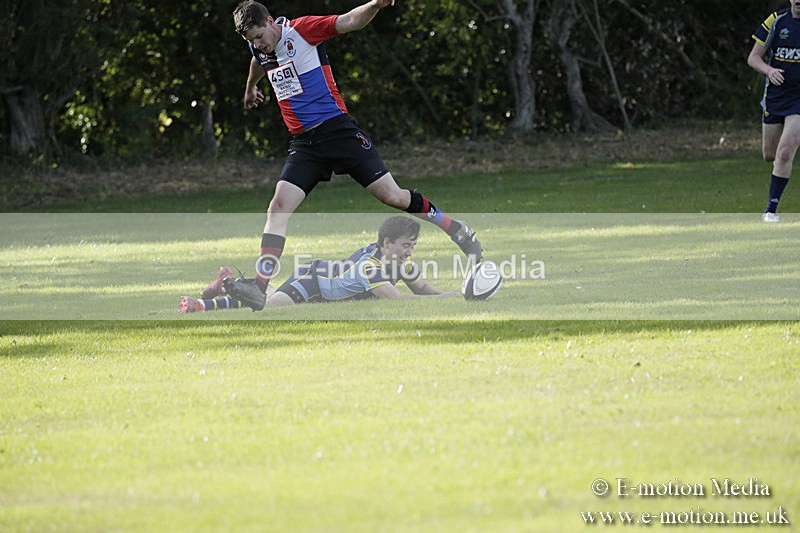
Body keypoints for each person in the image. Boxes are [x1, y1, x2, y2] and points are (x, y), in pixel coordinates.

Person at [223, 0, 482, 311]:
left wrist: (376, 4)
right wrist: (251, 88)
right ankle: (258, 286)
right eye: (251, 40)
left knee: (394, 197)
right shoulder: (260, 49)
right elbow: (258, 62)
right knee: (278, 207)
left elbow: (348, 21)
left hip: (338, 132)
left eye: (259, 35)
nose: (257, 43)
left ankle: (455, 228)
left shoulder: (302, 31)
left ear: (270, 20)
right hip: (305, 144)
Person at [179, 216, 457, 312]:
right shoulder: (371, 268)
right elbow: (398, 300)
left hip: (325, 284)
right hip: (313, 282)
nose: (410, 253)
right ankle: (213, 298)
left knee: (270, 296)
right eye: (405, 246)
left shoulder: (401, 261)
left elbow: (422, 290)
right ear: (386, 243)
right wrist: (451, 299)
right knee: (266, 305)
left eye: (413, 247)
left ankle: (226, 287)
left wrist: (457, 295)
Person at [747, 0, 800, 223]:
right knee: (770, 154)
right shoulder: (776, 20)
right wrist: (769, 71)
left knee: (785, 151)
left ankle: (770, 210)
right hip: (775, 98)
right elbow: (753, 57)